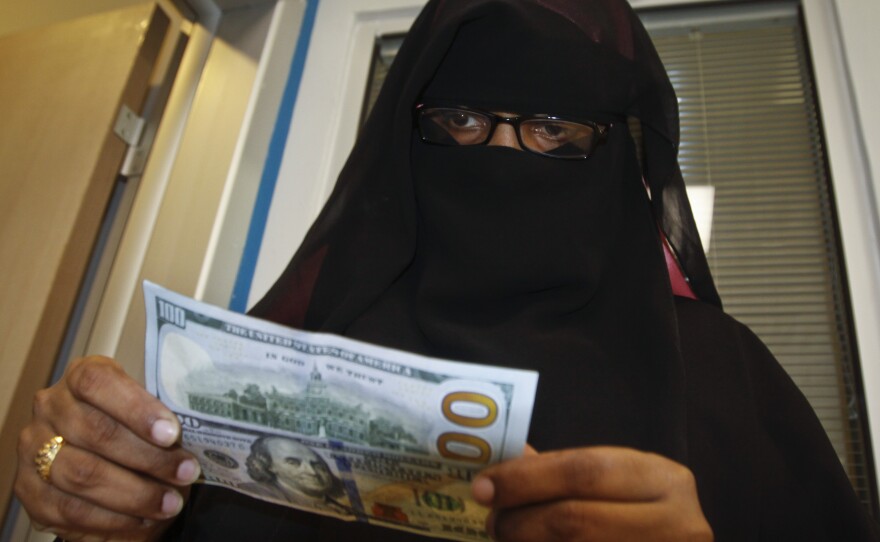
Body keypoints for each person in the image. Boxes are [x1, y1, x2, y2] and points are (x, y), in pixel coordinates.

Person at [14, 0, 880, 540]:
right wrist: (99, 493)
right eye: (463, 118)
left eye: (550, 127)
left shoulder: (727, 376)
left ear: (617, 155)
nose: (500, 156)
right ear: (407, 133)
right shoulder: (296, 360)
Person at [240, 436, 347, 512]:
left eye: (317, 465)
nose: (312, 472)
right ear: (270, 467)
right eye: (293, 463)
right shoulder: (254, 493)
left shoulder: (343, 510)